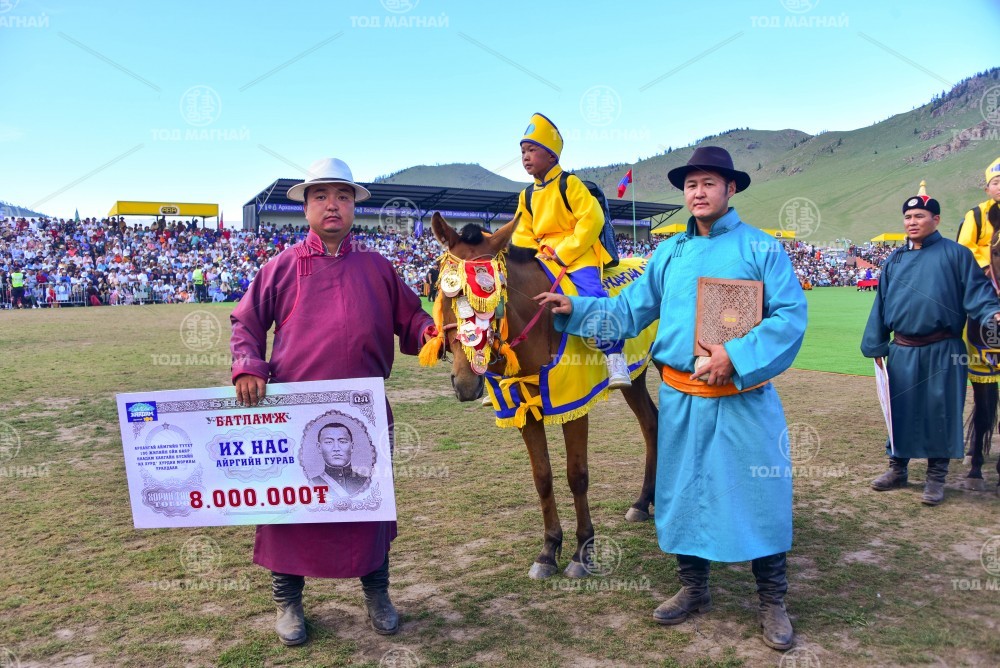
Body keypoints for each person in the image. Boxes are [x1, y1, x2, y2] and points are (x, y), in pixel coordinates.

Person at [536, 146, 807, 651]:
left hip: (741, 398)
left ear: (730, 189)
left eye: (709, 183)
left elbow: (790, 317)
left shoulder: (762, 248)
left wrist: (735, 356)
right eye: (691, 185)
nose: (698, 193)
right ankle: (693, 587)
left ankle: (773, 600)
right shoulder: (668, 254)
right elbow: (627, 311)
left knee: (757, 494)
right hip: (681, 398)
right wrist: (575, 308)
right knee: (684, 495)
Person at [230, 157, 435, 646]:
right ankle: (288, 602)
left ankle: (377, 594)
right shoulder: (280, 267)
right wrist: (249, 366)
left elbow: (412, 319)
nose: (332, 205)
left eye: (342, 196)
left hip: (362, 411)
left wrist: (434, 332)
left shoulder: (377, 267)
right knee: (290, 509)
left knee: (368, 505)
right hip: (295, 414)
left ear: (353, 207)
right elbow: (246, 323)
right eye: (320, 196)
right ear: (305, 207)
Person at [862, 191, 1000, 505]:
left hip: (943, 349)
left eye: (919, 216)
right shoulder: (894, 259)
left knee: (941, 411)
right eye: (908, 217)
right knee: (900, 409)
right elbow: (881, 304)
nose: (912, 222)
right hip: (902, 349)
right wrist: (876, 344)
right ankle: (897, 468)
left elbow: (978, 292)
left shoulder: (957, 255)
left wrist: (992, 312)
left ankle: (936, 477)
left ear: (935, 219)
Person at [512, 112, 631, 388]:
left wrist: (563, 252)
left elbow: (592, 219)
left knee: (592, 295)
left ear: (551, 156)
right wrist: (536, 254)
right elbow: (521, 232)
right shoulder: (526, 195)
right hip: (543, 256)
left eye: (532, 150)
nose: (525, 157)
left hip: (578, 254)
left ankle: (615, 357)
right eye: (523, 152)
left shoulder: (570, 183)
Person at [956, 157, 1000, 273]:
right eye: (995, 183)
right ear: (987, 190)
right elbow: (964, 246)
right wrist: (985, 267)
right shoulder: (976, 214)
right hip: (984, 275)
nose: (999, 187)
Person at [309, 422, 371, 498]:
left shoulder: (365, 482)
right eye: (329, 442)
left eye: (342, 442)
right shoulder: (313, 482)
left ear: (352, 447)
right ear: (319, 447)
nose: (336, 448)